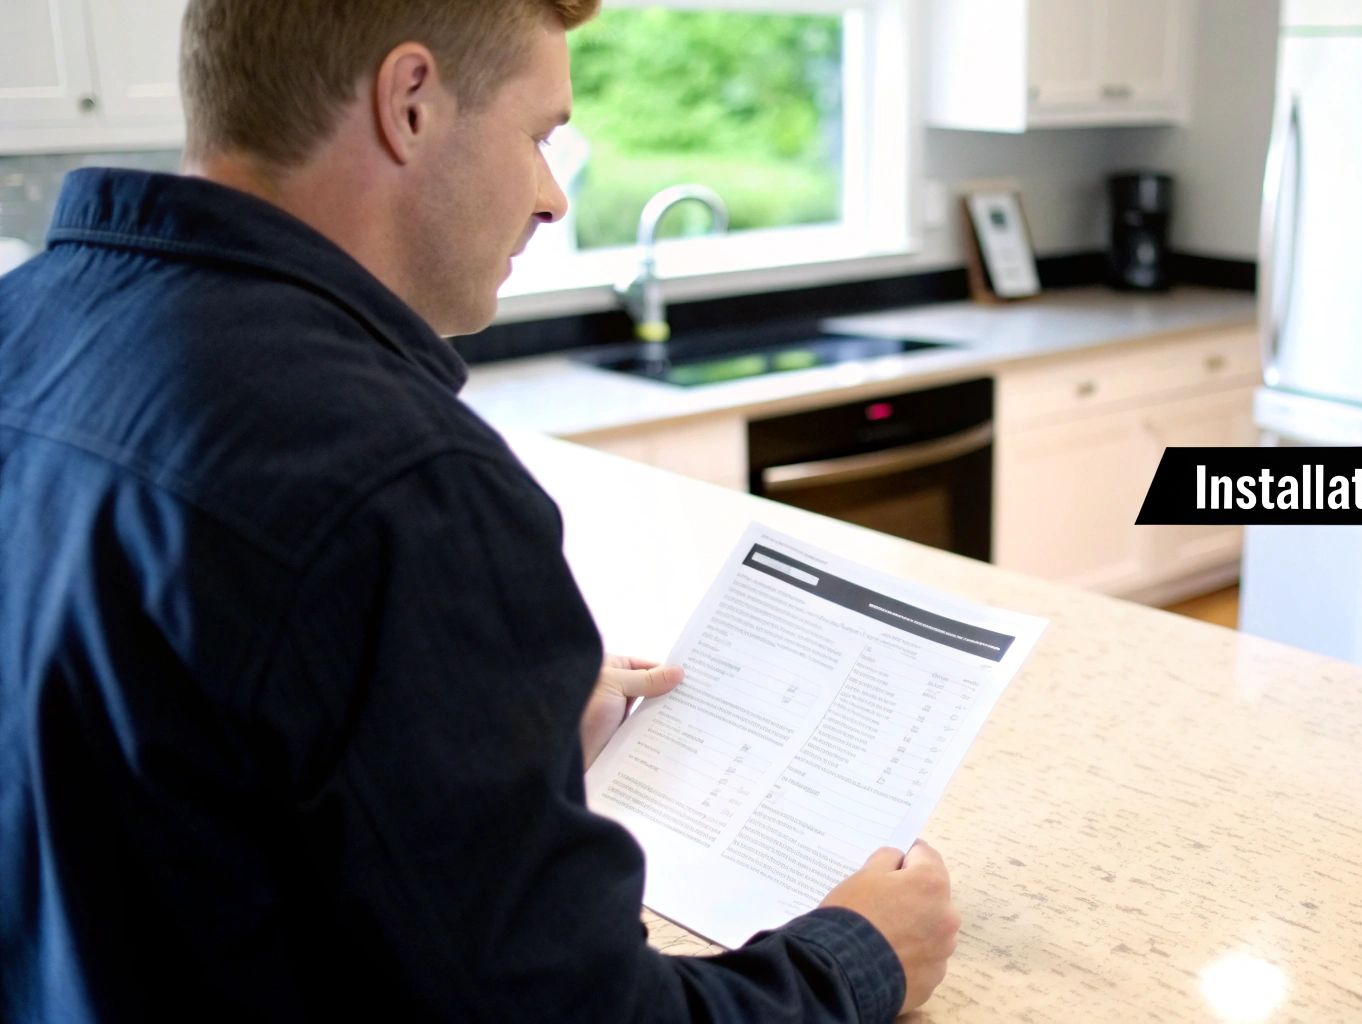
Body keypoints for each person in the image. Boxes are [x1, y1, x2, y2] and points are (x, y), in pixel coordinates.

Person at [0, 1, 959, 1019]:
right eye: (541, 134)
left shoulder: (29, 325)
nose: (551, 197)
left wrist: (468, 724)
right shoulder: (401, 478)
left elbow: (158, 771)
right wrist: (853, 956)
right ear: (409, 103)